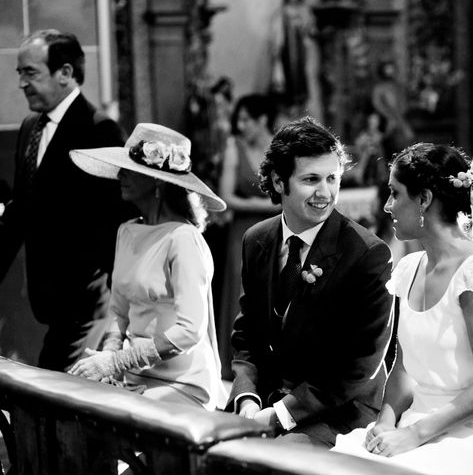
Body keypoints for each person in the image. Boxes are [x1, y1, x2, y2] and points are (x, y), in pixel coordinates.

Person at [333, 143, 473, 474]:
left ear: (424, 199)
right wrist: (386, 422)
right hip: (414, 425)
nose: (388, 206)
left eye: (395, 193)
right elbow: (404, 370)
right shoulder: (409, 269)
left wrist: (415, 434)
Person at [226, 117, 394, 446]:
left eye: (333, 178)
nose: (325, 192)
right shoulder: (256, 240)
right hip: (266, 400)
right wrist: (247, 399)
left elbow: (359, 365)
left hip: (339, 410)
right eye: (311, 179)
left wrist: (278, 416)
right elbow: (246, 334)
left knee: (273, 460)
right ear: (278, 181)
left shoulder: (367, 254)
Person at [67, 123, 228, 410]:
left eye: (129, 168)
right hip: (135, 376)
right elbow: (119, 311)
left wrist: (118, 361)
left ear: (157, 181)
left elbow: (189, 331)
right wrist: (110, 358)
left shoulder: (183, 239)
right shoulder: (127, 231)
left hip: (182, 384)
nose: (120, 174)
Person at [0, 29, 131, 371]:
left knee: (59, 390)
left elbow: (115, 222)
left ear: (66, 73)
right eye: (19, 73)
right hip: (47, 300)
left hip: (87, 303)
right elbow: (20, 214)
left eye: (30, 72)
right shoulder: (31, 127)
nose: (22, 83)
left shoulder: (100, 130)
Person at [217, 93, 282, 379]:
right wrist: (264, 206)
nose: (241, 126)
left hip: (277, 229)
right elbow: (226, 196)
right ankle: (237, 363)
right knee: (241, 290)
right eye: (239, 120)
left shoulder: (281, 149)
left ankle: (270, 361)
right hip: (242, 230)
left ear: (262, 120)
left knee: (274, 290)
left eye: (246, 119)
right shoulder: (235, 148)